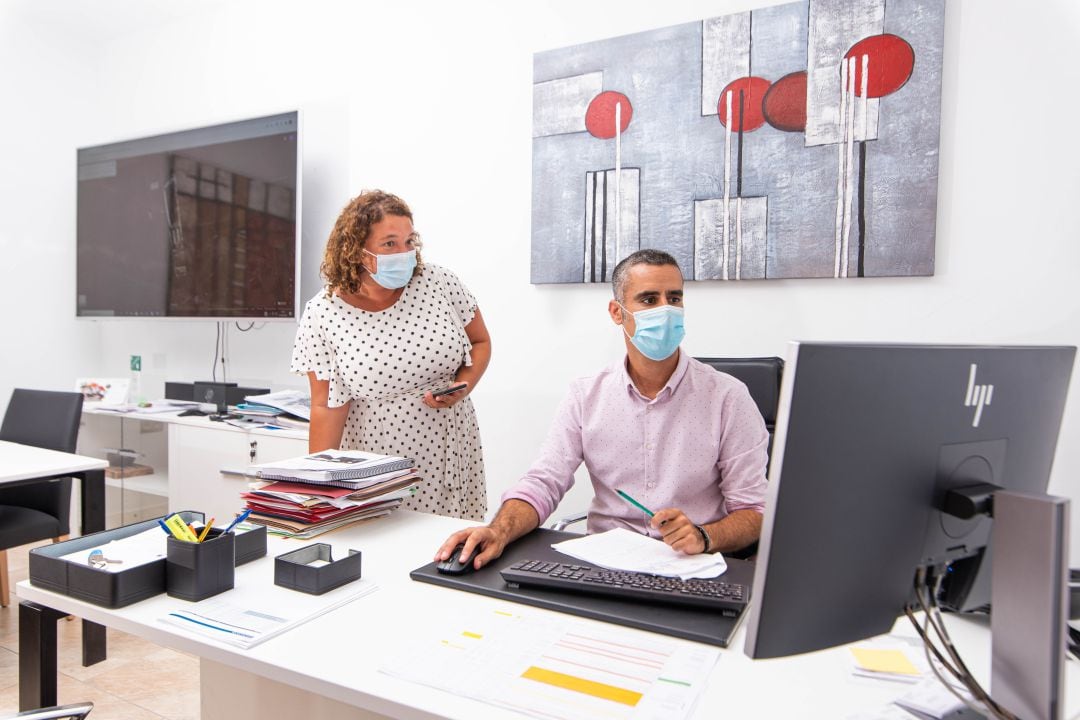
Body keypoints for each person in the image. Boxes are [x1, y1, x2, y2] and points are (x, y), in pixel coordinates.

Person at [435, 248, 767, 568]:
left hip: (694, 565)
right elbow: (544, 481)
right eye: (649, 300)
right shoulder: (586, 395)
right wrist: (498, 531)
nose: (666, 309)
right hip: (607, 567)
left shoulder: (729, 398)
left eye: (675, 298)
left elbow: (755, 512)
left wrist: (704, 536)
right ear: (616, 312)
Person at [291, 190, 490, 520]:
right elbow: (325, 405)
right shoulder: (323, 313)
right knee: (389, 545)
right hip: (378, 458)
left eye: (409, 241)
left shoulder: (440, 283)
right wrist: (319, 489)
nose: (404, 253)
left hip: (451, 443)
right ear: (356, 250)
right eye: (389, 244)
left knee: (451, 547)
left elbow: (480, 343)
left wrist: (464, 385)